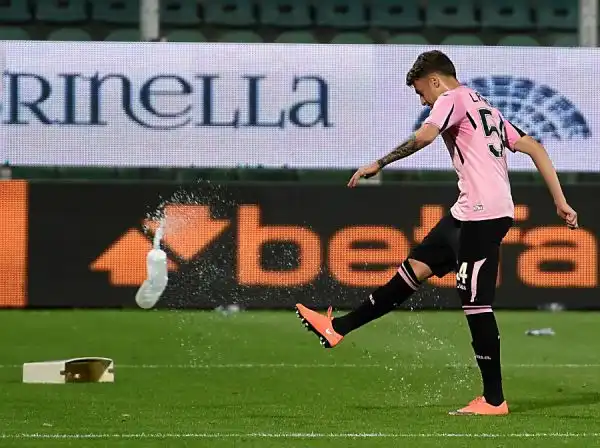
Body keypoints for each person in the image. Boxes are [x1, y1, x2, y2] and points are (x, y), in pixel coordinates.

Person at [295, 50, 579, 416]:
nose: (423, 100)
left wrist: (378, 163)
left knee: (476, 303)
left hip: (484, 215)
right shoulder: (485, 106)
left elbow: (426, 136)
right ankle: (338, 328)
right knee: (411, 271)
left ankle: (494, 400)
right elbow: (535, 147)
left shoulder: (452, 98)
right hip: (465, 213)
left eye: (420, 92)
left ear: (434, 79)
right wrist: (561, 201)